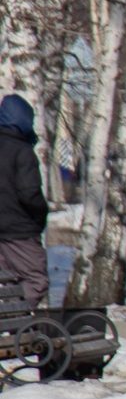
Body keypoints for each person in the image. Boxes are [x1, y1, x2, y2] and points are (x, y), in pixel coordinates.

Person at [0, 93, 50, 308]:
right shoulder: (22, 152)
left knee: (8, 281)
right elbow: (30, 194)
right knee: (35, 280)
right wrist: (40, 217)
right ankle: (11, 320)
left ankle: (12, 325)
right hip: (20, 230)